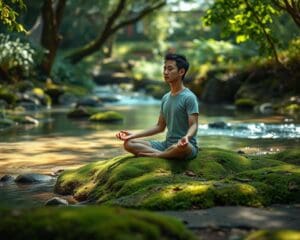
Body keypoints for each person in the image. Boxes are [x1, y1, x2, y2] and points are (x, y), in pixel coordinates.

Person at [116, 53, 199, 160]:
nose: (165, 72)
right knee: (129, 143)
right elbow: (160, 127)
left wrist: (187, 137)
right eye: (164, 68)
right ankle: (165, 154)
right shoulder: (165, 98)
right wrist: (133, 135)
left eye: (170, 69)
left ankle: (159, 155)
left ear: (181, 72)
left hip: (185, 146)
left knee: (182, 147)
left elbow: (194, 125)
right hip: (166, 145)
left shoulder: (189, 97)